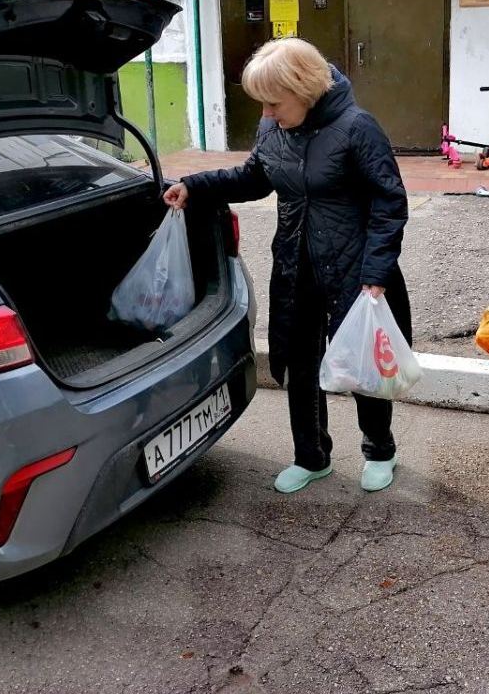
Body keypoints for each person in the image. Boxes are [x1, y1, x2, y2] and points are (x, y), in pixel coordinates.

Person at [163, 38, 412, 494]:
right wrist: (195, 186)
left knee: (362, 365)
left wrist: (375, 274)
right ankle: (311, 456)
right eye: (264, 104)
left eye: (275, 102)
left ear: (306, 88)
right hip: (297, 265)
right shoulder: (273, 128)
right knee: (298, 362)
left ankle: (380, 450)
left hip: (356, 273)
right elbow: (255, 177)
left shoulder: (358, 128)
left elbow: (389, 203)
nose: (268, 113)